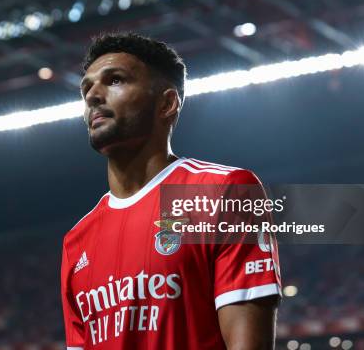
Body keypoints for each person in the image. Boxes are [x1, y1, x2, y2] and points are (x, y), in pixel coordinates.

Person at [60, 33, 281, 349]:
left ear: (166, 103)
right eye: (87, 88)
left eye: (115, 80)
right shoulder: (76, 241)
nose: (93, 95)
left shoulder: (225, 193)